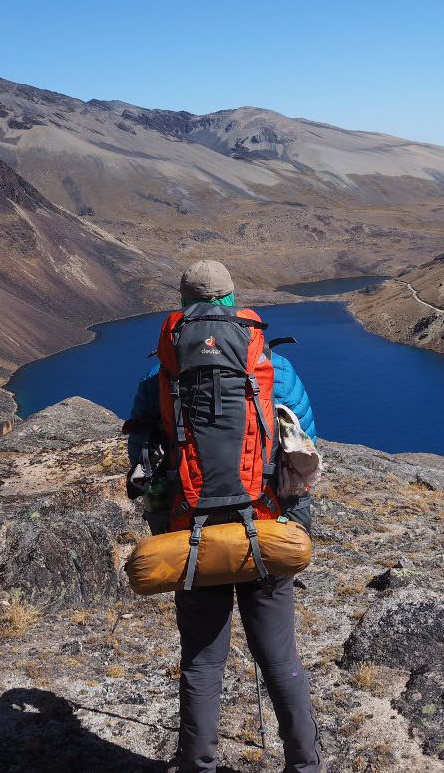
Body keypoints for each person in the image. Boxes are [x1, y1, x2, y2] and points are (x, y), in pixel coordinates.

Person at [125, 260, 323, 773]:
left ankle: (197, 767)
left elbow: (143, 454)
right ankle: (305, 765)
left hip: (192, 536)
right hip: (266, 528)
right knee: (279, 659)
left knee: (202, 662)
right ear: (232, 299)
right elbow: (305, 449)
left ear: (183, 300)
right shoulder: (270, 366)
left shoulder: (162, 370)